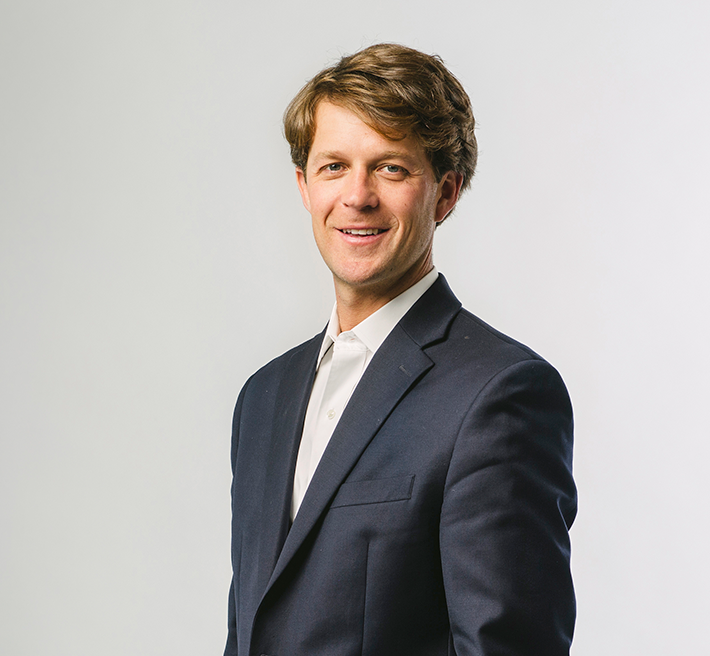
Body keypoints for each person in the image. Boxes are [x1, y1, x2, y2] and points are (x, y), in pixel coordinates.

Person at [225, 43, 576, 656]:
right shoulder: (263, 397)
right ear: (304, 186)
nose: (357, 196)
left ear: (445, 193)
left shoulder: (500, 395)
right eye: (334, 166)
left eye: (390, 168)